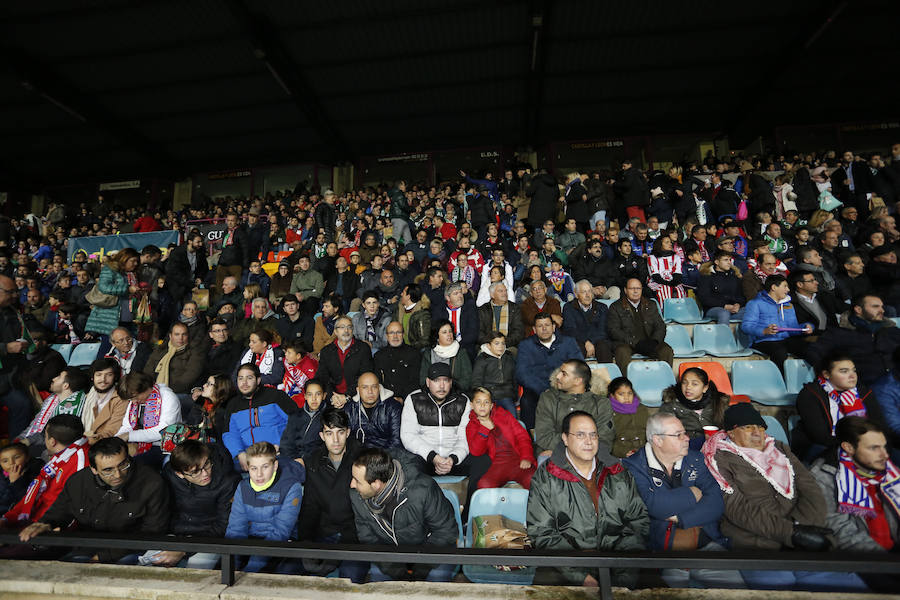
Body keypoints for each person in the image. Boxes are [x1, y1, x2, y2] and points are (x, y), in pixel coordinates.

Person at [702, 403, 867, 591]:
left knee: (848, 589)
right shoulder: (718, 459)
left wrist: (800, 528)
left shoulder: (780, 449)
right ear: (731, 433)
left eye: (760, 427)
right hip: (756, 544)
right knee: (780, 590)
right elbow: (738, 509)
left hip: (803, 538)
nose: (757, 432)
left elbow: (810, 489)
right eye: (748, 428)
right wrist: (791, 533)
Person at [527, 411, 648, 588]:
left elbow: (638, 521)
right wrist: (581, 577)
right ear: (565, 439)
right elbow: (542, 533)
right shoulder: (547, 477)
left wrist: (621, 575)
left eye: (593, 435)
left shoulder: (618, 473)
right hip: (564, 567)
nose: (589, 441)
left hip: (617, 563)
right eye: (580, 435)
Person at [623, 413, 742, 589]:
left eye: (684, 433)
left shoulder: (694, 459)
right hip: (665, 554)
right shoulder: (633, 466)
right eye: (678, 435)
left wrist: (679, 519)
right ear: (657, 440)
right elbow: (654, 506)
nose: (686, 438)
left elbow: (716, 504)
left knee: (740, 594)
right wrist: (693, 493)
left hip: (707, 547)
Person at [17, 436, 170, 564]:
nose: (118, 475)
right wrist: (44, 524)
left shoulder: (152, 483)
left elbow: (152, 532)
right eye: (108, 470)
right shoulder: (78, 482)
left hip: (132, 549)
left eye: (123, 465)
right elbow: (59, 513)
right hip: (87, 544)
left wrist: (103, 558)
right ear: (94, 469)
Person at [809, 417, 899, 591]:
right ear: (848, 448)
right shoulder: (823, 478)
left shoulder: (887, 470)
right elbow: (841, 532)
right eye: (874, 448)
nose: (885, 455)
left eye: (884, 446)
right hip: (862, 560)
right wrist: (889, 563)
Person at [349, 447, 459, 582]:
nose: (352, 484)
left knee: (435, 582)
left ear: (376, 484)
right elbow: (369, 540)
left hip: (433, 551)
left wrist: (421, 568)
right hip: (391, 556)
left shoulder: (422, 489)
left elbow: (446, 531)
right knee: (380, 584)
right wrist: (396, 571)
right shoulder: (356, 496)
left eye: (357, 480)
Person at [296, 408, 367, 582]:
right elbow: (310, 507)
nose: (335, 440)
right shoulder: (314, 462)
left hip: (355, 538)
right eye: (329, 433)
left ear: (348, 432)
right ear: (322, 436)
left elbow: (369, 507)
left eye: (340, 432)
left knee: (349, 580)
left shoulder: (362, 459)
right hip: (325, 535)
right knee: (299, 575)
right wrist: (306, 543)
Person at [157, 440, 240, 569]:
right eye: (195, 472)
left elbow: (223, 526)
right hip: (175, 535)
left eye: (206, 464)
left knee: (195, 575)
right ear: (179, 474)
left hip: (211, 539)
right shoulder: (170, 475)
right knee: (148, 568)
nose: (205, 474)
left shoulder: (228, 481)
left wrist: (184, 548)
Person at [225, 441, 305, 573]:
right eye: (254, 468)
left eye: (265, 467)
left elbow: (281, 531)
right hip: (250, 542)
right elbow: (236, 529)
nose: (259, 474)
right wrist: (233, 565)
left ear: (275, 466)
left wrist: (250, 570)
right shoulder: (243, 487)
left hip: (281, 545)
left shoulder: (292, 487)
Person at [793, 354, 887, 462]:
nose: (852, 376)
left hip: (864, 445)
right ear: (826, 374)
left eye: (854, 370)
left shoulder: (863, 393)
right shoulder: (811, 394)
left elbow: (880, 425)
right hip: (824, 447)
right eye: (844, 371)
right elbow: (819, 436)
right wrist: (856, 446)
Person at [2, 415, 88, 529]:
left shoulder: (80, 463)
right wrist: (7, 518)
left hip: (46, 528)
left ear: (52, 441)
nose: (44, 439)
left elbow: (74, 510)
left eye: (45, 436)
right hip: (34, 519)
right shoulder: (63, 455)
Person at [806, 294, 900, 386]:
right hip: (860, 388)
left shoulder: (892, 331)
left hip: (895, 383)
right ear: (858, 309)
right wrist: (831, 378)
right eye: (875, 307)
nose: (882, 310)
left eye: (882, 307)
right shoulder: (839, 333)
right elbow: (814, 352)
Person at [222, 364, 297, 470]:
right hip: (248, 458)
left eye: (249, 378)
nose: (244, 383)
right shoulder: (233, 405)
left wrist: (282, 444)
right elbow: (229, 434)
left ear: (258, 380)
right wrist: (239, 453)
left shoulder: (276, 396)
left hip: (278, 454)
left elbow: (296, 421)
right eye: (240, 378)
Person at [515, 312, 583, 430]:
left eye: (547, 325)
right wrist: (543, 390)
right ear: (534, 330)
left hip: (565, 388)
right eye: (540, 326)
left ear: (554, 327)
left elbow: (579, 366)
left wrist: (563, 387)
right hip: (537, 391)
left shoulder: (568, 342)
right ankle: (531, 437)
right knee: (527, 400)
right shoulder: (525, 345)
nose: (544, 329)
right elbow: (522, 373)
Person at [535, 359, 614, 458]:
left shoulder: (601, 403)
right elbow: (544, 436)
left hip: (591, 456)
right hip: (555, 454)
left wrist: (575, 452)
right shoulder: (548, 399)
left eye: (563, 374)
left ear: (577, 381)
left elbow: (605, 439)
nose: (557, 376)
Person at [741, 274, 813, 373]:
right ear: (774, 287)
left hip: (784, 339)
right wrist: (764, 331)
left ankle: (812, 380)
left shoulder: (788, 305)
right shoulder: (755, 303)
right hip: (762, 341)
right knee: (780, 352)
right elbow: (746, 326)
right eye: (785, 286)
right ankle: (780, 382)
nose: (788, 290)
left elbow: (792, 328)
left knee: (810, 348)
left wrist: (805, 327)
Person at [466, 387, 535, 488]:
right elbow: (476, 451)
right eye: (478, 402)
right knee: (484, 485)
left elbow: (522, 436)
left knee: (534, 480)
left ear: (491, 406)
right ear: (472, 405)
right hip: (494, 465)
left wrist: (526, 457)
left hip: (517, 461)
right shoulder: (472, 425)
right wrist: (484, 429)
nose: (482, 405)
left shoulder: (503, 415)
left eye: (486, 402)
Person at [607, 278, 674, 371]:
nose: (635, 291)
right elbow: (614, 330)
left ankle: (665, 380)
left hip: (649, 342)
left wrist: (655, 341)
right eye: (632, 288)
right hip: (627, 343)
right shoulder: (616, 307)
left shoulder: (651, 304)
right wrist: (635, 343)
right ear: (625, 290)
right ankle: (626, 382)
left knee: (666, 350)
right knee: (621, 351)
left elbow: (660, 326)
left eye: (638, 288)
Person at [18, 367, 89, 451]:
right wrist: (21, 438)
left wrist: (29, 440)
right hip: (37, 440)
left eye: (58, 377)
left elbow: (60, 439)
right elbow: (35, 423)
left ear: (65, 385)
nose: (53, 379)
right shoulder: (52, 399)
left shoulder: (73, 408)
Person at [659, 367, 729, 448]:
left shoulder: (717, 402)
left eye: (694, 384)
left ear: (705, 388)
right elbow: (665, 432)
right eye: (684, 383)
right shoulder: (671, 405)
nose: (688, 387)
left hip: (716, 445)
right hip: (684, 446)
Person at [315, 315, 374, 407]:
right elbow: (323, 377)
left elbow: (365, 375)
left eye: (349, 327)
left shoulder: (363, 348)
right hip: (333, 399)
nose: (346, 331)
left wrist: (347, 396)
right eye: (342, 327)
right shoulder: (326, 351)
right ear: (336, 331)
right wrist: (332, 397)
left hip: (357, 396)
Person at [84, 247, 141, 338]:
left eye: (137, 261)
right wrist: (127, 289)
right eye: (133, 261)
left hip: (128, 313)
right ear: (124, 259)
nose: (136, 264)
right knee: (110, 344)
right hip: (111, 315)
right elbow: (104, 287)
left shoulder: (132, 273)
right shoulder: (110, 269)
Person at [143, 322, 205, 402]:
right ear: (170, 336)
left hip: (178, 393)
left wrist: (165, 391)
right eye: (177, 334)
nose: (180, 338)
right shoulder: (161, 350)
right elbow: (148, 371)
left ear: (188, 336)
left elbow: (188, 378)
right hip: (155, 390)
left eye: (184, 334)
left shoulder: (195, 352)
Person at [345, 371, 402, 449]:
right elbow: (346, 441)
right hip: (359, 456)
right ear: (358, 390)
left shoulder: (393, 407)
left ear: (379, 388)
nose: (370, 392)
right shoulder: (349, 409)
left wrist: (378, 459)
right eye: (365, 387)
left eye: (374, 387)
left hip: (386, 456)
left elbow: (396, 442)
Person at [561, 279, 614, 362]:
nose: (587, 295)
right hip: (579, 340)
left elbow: (603, 330)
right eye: (583, 292)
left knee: (603, 346)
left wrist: (591, 342)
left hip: (598, 340)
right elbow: (570, 329)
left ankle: (607, 374)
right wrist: (586, 341)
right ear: (576, 294)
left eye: (589, 291)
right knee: (576, 347)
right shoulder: (568, 307)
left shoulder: (602, 307)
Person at [81, 358, 128, 444]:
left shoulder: (120, 399)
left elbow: (112, 430)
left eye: (109, 375)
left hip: (106, 444)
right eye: (99, 375)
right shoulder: (87, 396)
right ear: (92, 377)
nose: (103, 379)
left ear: (115, 377)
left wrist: (90, 440)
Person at [419, 319, 473, 392]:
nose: (449, 334)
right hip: (432, 394)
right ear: (437, 337)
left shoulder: (461, 352)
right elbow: (423, 380)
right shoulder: (428, 353)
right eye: (444, 332)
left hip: (455, 393)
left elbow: (466, 381)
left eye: (450, 331)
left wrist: (451, 386)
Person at [471, 331, 517, 416]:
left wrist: (514, 395)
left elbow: (514, 378)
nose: (500, 346)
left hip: (506, 395)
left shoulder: (508, 356)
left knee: (512, 418)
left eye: (503, 343)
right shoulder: (482, 359)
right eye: (497, 343)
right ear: (489, 345)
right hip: (488, 396)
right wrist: (480, 397)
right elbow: (476, 380)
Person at [279, 379, 326, 462]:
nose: (314, 399)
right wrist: (295, 460)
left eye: (318, 394)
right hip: (294, 460)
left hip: (315, 462)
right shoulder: (296, 416)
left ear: (324, 395)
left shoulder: (328, 416)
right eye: (310, 395)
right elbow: (286, 443)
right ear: (305, 396)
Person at [374, 321, 421, 401]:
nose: (395, 336)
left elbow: (415, 381)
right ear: (387, 336)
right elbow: (377, 382)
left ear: (403, 334)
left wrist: (402, 398)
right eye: (391, 333)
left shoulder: (414, 354)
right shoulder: (379, 356)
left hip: (408, 399)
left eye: (398, 332)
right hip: (385, 400)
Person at [431, 281, 479, 361]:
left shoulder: (470, 308)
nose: (460, 296)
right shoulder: (439, 310)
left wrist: (457, 345)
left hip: (464, 346)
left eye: (460, 293)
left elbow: (473, 333)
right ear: (448, 298)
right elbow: (435, 332)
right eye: (455, 293)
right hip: (444, 346)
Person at [607, 376, 650, 458]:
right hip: (620, 453)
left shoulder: (641, 409)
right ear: (612, 395)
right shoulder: (608, 412)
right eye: (621, 394)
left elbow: (650, 433)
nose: (626, 397)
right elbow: (607, 440)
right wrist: (623, 452)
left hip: (643, 451)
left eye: (629, 393)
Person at [697, 251, 745, 324]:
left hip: (733, 309)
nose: (729, 262)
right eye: (725, 260)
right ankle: (723, 335)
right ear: (717, 262)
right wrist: (724, 306)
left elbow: (741, 296)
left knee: (752, 310)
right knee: (724, 313)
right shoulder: (706, 276)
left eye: (730, 260)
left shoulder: (734, 276)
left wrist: (738, 304)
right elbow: (704, 298)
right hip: (713, 309)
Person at [789, 270, 842, 336]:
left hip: (833, 334)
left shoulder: (824, 296)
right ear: (800, 284)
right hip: (811, 339)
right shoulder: (792, 303)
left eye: (815, 279)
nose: (816, 283)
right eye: (811, 281)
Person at [165, 232, 208, 304]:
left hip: (194, 286)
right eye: (198, 242)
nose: (200, 244)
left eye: (201, 242)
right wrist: (190, 285)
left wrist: (200, 277)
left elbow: (204, 267)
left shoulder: (200, 252)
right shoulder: (177, 252)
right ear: (190, 241)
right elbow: (174, 273)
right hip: (178, 288)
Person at [476, 282, 524, 348]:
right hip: (488, 346)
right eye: (500, 291)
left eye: (505, 291)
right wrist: (492, 344)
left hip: (509, 346)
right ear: (492, 295)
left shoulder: (515, 308)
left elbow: (518, 332)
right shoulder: (483, 309)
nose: (504, 293)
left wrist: (502, 344)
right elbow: (479, 332)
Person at [0, 443, 43, 515]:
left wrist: (16, 482)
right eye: (5, 461)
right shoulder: (1, 478)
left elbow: (28, 501)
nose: (11, 463)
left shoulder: (37, 472)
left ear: (27, 457)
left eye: (16, 457)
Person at [215, 213, 249, 300]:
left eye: (232, 220)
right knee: (220, 287)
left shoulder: (241, 233)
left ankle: (235, 302)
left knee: (235, 286)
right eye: (228, 220)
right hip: (223, 263)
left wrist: (245, 264)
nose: (229, 223)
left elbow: (245, 249)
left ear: (237, 221)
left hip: (235, 264)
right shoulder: (225, 231)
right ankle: (221, 302)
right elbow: (224, 247)